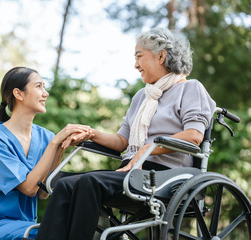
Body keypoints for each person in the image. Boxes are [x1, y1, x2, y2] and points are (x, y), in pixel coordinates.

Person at [36, 28, 216, 240]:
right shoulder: (142, 97)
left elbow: (194, 135)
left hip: (166, 175)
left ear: (161, 56)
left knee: (89, 182)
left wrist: (147, 149)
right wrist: (91, 133)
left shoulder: (190, 88)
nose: (135, 65)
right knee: (64, 183)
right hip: (131, 171)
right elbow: (122, 142)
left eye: (139, 56)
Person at [0, 67, 92, 240]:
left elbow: (43, 192)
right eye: (39, 86)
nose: (46, 93)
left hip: (24, 225)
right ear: (18, 94)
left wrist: (60, 148)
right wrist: (54, 144)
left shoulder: (46, 137)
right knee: (50, 232)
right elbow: (29, 188)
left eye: (44, 86)